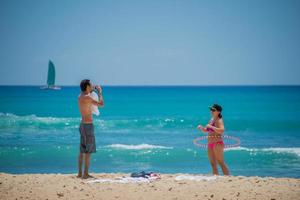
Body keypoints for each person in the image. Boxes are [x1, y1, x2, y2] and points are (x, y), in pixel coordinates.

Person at [77, 79, 104, 179]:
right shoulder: (87, 97)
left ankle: (80, 173)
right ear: (87, 86)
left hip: (82, 124)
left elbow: (87, 95)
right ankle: (86, 174)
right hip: (88, 125)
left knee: (82, 150)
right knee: (88, 151)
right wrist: (100, 92)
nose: (92, 85)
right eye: (91, 85)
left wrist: (92, 90)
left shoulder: (80, 96)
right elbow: (101, 104)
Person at [197, 104, 229, 175]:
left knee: (220, 162)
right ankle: (216, 178)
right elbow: (207, 130)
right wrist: (202, 128)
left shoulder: (219, 120)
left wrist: (211, 127)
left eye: (213, 110)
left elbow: (222, 130)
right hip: (210, 143)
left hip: (217, 143)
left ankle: (227, 178)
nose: (211, 111)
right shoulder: (211, 119)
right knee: (213, 164)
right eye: (211, 110)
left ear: (219, 112)